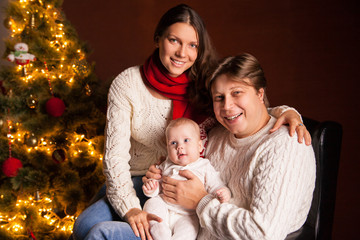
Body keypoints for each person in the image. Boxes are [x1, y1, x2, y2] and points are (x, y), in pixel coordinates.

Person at [71, 4, 311, 240]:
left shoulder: (205, 83)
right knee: (84, 226)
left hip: (186, 199)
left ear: (200, 49)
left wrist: (288, 112)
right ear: (158, 39)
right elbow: (114, 159)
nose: (182, 53)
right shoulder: (129, 84)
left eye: (192, 45)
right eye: (174, 40)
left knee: (96, 232)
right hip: (142, 181)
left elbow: (247, 107)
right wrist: (131, 208)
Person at [151, 53, 316, 239]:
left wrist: (201, 201)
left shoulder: (285, 146)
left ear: (260, 93)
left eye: (237, 92)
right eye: (219, 97)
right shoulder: (217, 132)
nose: (227, 106)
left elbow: (262, 234)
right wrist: (162, 173)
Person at [142, 118, 231, 240]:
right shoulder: (166, 163)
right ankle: (159, 231)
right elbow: (157, 183)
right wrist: (151, 188)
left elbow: (215, 184)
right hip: (164, 205)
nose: (179, 147)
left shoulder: (204, 166)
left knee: (190, 230)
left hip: (187, 214)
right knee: (151, 203)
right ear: (167, 149)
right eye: (173, 143)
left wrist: (222, 192)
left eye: (186, 140)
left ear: (199, 146)